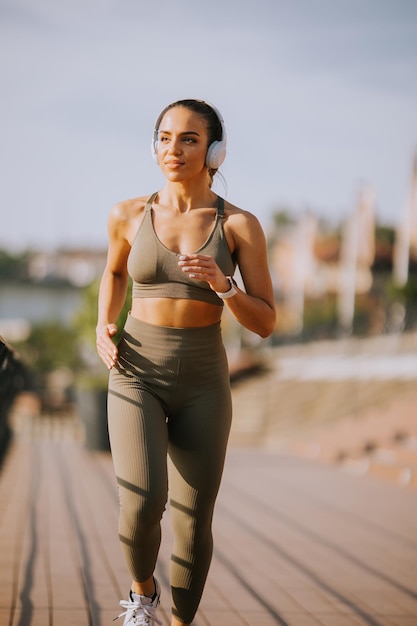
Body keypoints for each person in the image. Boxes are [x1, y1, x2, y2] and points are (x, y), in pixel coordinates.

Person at [96, 99, 276, 626]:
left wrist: (225, 287)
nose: (173, 149)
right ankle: (142, 598)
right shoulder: (127, 214)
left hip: (203, 377)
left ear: (214, 150)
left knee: (194, 521)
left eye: (189, 139)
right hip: (136, 370)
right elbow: (112, 274)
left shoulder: (239, 225)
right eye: (165, 137)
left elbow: (265, 322)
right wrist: (102, 326)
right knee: (140, 504)